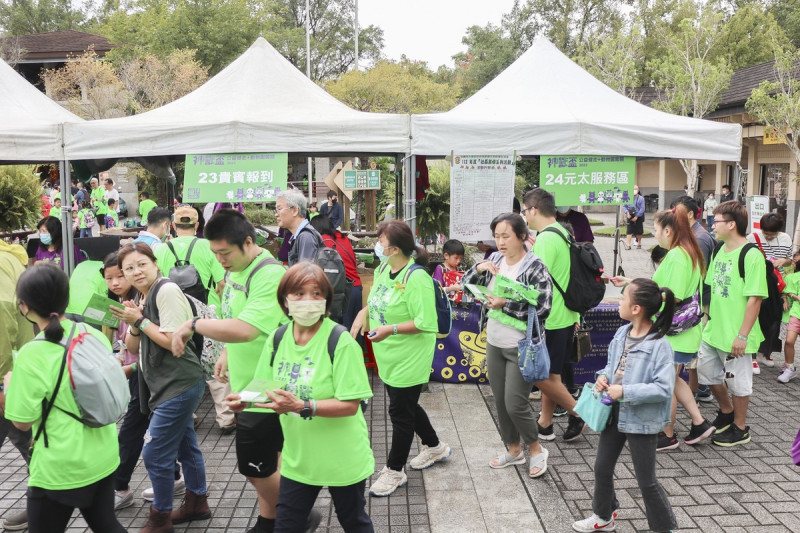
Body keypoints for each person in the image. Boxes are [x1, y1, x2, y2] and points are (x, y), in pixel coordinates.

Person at [169, 209, 319, 533]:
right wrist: (225, 351)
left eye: (224, 252)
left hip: (266, 385)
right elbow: (236, 318)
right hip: (247, 384)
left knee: (254, 467)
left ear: (248, 242)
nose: (220, 260)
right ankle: (269, 522)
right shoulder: (237, 270)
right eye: (215, 253)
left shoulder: (267, 275)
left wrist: (193, 324)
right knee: (269, 461)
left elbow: (248, 328)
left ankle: (298, 514)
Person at [228, 262, 374, 532]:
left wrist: (302, 406)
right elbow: (267, 386)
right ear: (285, 300)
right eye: (298, 294)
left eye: (316, 294)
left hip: (342, 456)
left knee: (353, 520)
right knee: (287, 525)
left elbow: (351, 405)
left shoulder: (340, 341)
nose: (308, 300)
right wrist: (245, 401)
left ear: (327, 300)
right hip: (299, 458)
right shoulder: (277, 338)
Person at [3, 264, 125, 533]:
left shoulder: (31, 355)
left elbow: (22, 422)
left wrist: (11, 386)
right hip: (103, 455)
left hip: (59, 469)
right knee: (107, 526)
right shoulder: (91, 335)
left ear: (24, 306)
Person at [110, 242, 211, 531]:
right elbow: (132, 345)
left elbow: (172, 343)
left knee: (155, 453)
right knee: (185, 445)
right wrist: (133, 321)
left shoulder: (165, 291)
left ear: (155, 263)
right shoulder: (144, 297)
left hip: (178, 383)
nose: (136, 271)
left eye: (141, 264)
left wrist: (140, 319)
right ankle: (196, 503)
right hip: (164, 384)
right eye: (129, 268)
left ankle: (160, 517)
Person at [351, 220, 451, 497]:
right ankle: (435, 447)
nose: (377, 246)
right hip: (389, 354)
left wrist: (390, 329)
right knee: (405, 404)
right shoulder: (385, 268)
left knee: (399, 412)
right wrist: (363, 314)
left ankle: (395, 471)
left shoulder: (416, 278)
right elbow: (376, 301)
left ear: (395, 248)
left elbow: (426, 322)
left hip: (410, 355)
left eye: (380, 241)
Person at [571, 278, 677, 533]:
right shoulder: (622, 333)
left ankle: (665, 528)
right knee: (602, 468)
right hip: (613, 411)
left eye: (622, 298)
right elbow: (611, 367)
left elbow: (663, 389)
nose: (618, 303)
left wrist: (625, 391)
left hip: (641, 418)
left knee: (646, 481)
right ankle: (603, 516)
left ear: (637, 308)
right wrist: (602, 378)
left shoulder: (659, 345)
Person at [614, 206, 715, 451]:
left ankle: (666, 433)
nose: (656, 234)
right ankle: (699, 422)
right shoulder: (685, 252)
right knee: (673, 378)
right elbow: (663, 286)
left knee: (668, 381)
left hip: (675, 332)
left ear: (668, 230)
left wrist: (638, 297)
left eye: (657, 229)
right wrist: (632, 283)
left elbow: (674, 296)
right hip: (682, 332)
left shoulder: (678, 256)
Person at [462, 213, 553, 477]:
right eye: (497, 236)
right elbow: (468, 288)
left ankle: (535, 449)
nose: (500, 242)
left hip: (520, 345)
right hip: (494, 341)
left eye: (506, 236)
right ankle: (514, 450)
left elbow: (544, 307)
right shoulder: (494, 259)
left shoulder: (534, 266)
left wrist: (506, 304)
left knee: (515, 403)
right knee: (500, 402)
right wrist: (478, 270)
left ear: (522, 236)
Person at [153, 204, 233, 434]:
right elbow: (221, 283)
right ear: (198, 225)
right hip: (207, 312)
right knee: (214, 362)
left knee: (182, 363)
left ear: (173, 226)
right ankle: (226, 418)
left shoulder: (160, 250)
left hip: (173, 313)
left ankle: (190, 414)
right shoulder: (208, 247)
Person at [700, 200, 767, 447]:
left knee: (739, 384)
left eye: (716, 221)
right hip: (713, 331)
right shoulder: (719, 249)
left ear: (731, 224)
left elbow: (755, 299)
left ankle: (740, 428)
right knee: (708, 373)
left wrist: (742, 335)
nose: (712, 225)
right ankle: (726, 412)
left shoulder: (751, 255)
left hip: (737, 336)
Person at [522, 189, 586, 442]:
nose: (524, 215)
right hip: (566, 313)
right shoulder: (562, 231)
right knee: (552, 375)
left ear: (534, 209)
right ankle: (545, 423)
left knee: (543, 376)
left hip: (552, 316)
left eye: (525, 210)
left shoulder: (547, 239)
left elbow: (536, 281)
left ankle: (579, 414)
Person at [0, 241, 35, 531]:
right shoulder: (10, 255)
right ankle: (41, 502)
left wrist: (2, 381)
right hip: (17, 365)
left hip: (7, 371)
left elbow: (2, 315)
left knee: (28, 439)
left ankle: (41, 503)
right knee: (30, 444)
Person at [669, 195, 714, 402]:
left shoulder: (700, 238)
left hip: (698, 303)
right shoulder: (690, 235)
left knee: (692, 356)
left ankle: (698, 391)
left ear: (689, 214)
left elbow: (698, 275)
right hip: (693, 303)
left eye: (676, 213)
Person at [747, 212, 793, 373]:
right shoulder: (752, 237)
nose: (769, 237)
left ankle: (764, 353)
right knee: (755, 318)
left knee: (774, 319)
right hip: (758, 282)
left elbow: (790, 260)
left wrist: (784, 261)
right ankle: (751, 356)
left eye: (772, 234)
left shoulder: (786, 238)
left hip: (777, 285)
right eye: (766, 233)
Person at [309, 214, 363, 329]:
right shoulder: (342, 238)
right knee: (355, 330)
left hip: (342, 292)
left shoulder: (323, 241)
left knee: (340, 332)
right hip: (356, 286)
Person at [277, 190, 323, 266]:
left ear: (295, 210)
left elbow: (305, 275)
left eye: (279, 209)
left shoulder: (306, 236)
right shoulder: (298, 235)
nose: (276, 214)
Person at [779, 251, 800, 384]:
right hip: (796, 313)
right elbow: (785, 290)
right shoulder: (793, 277)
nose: (794, 263)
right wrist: (794, 297)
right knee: (789, 341)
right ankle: (790, 367)